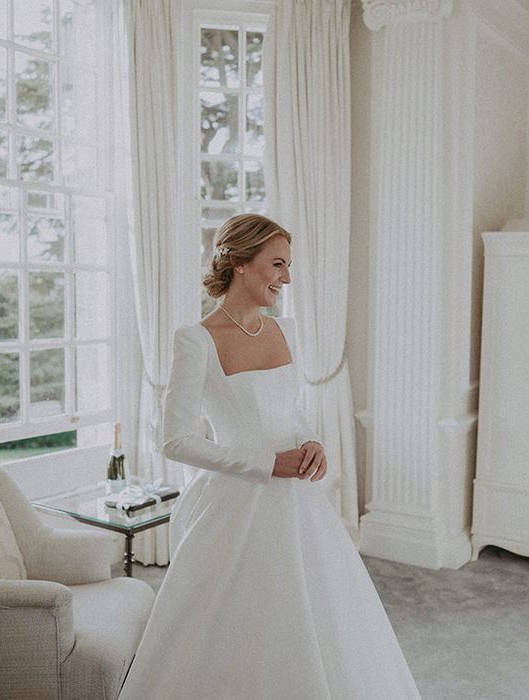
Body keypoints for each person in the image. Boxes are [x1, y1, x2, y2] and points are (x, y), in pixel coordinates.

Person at [120, 214, 420, 699]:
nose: (287, 277)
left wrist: (312, 442)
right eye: (277, 264)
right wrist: (265, 463)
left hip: (298, 506)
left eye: (288, 265)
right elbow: (173, 440)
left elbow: (289, 413)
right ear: (239, 263)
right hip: (236, 507)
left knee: (318, 620)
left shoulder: (285, 332)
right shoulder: (196, 339)